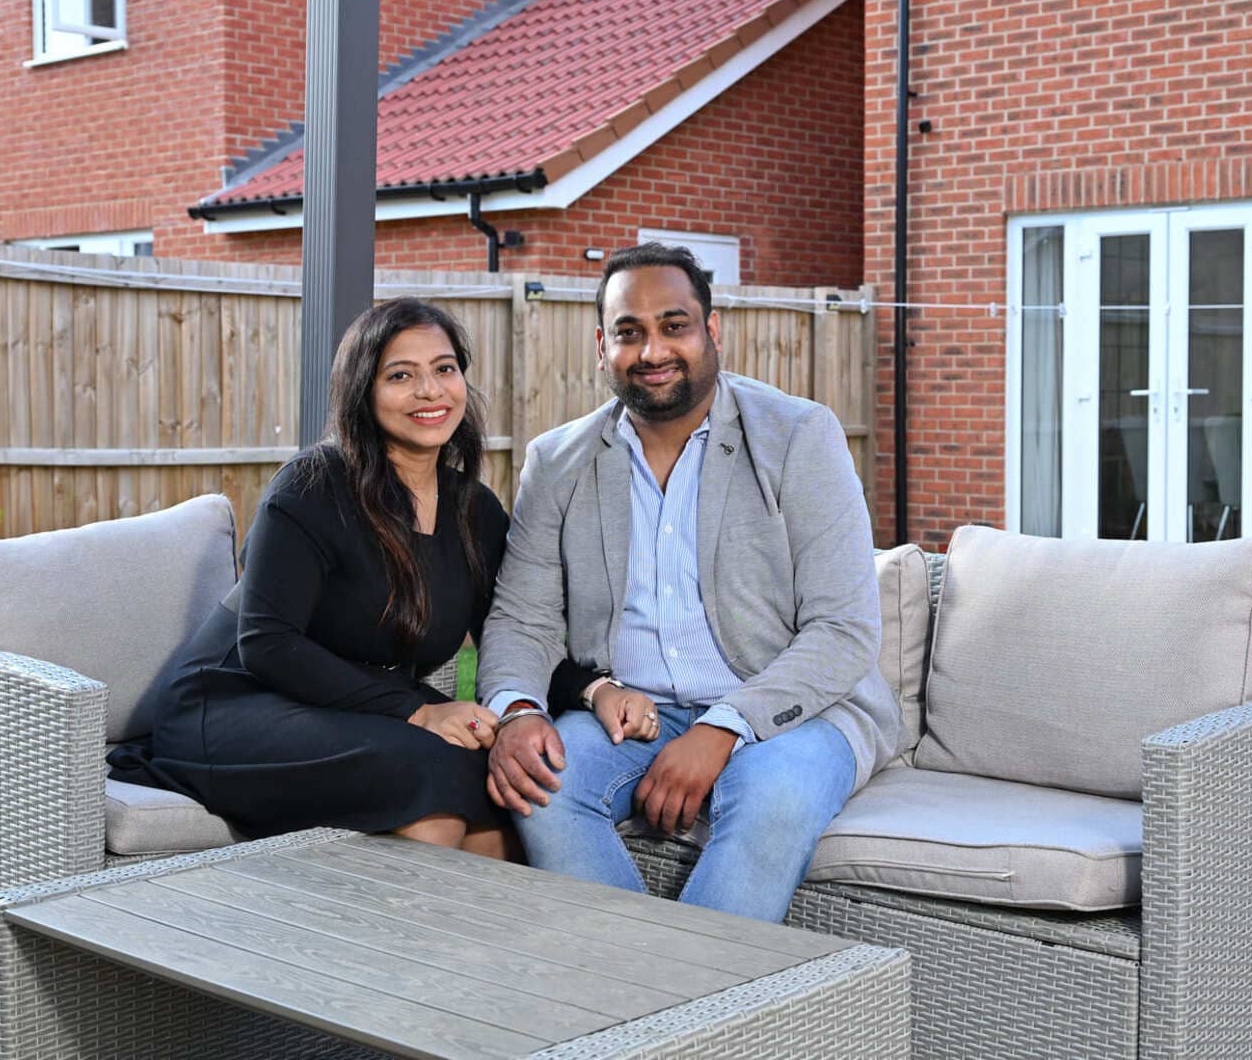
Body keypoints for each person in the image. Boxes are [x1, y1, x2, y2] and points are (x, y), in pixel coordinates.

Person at [478, 243, 900, 920]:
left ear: (711, 330)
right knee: (540, 784)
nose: (651, 350)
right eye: (628, 331)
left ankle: (681, 1007)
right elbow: (518, 620)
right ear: (601, 345)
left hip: (793, 715)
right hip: (631, 715)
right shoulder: (557, 462)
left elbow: (842, 629)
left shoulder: (798, 436)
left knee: (774, 798)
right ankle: (650, 1004)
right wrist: (519, 712)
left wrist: (722, 729)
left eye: (673, 325)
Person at [110, 298, 580, 857]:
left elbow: (512, 629)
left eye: (444, 368)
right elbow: (267, 644)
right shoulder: (311, 487)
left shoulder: (474, 510)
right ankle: (387, 941)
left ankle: (482, 941)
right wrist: (419, 709)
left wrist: (599, 691)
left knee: (503, 780)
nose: (430, 391)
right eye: (401, 375)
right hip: (234, 704)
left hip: (351, 708)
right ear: (364, 391)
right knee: (430, 769)